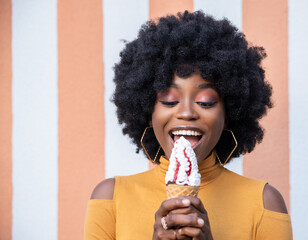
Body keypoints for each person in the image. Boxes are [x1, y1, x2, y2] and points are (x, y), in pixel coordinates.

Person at [84, 11, 293, 240]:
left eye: (205, 101)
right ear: (148, 112)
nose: (186, 113)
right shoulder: (110, 198)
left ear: (229, 115)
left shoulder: (265, 203)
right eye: (170, 101)